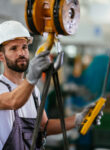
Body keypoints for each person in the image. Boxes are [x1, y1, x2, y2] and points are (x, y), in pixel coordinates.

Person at [0, 20, 97, 150]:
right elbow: (13, 101)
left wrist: (78, 119)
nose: (21, 53)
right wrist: (32, 77)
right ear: (1, 56)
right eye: (13, 49)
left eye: (24, 47)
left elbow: (44, 126)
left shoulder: (33, 91)